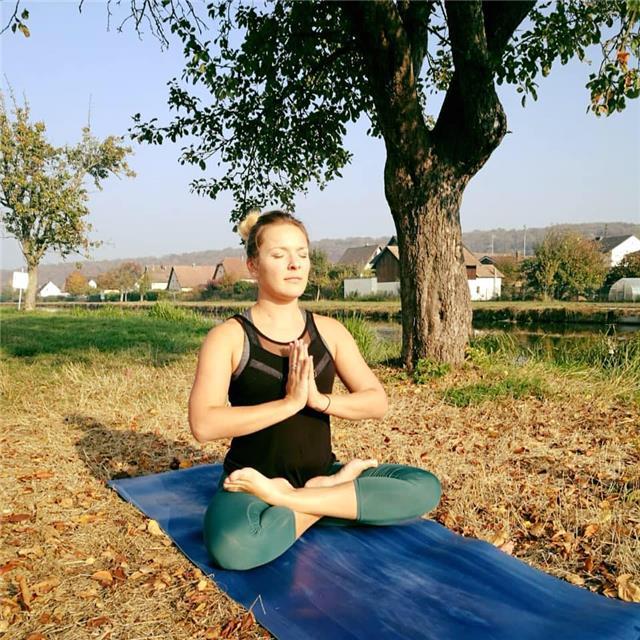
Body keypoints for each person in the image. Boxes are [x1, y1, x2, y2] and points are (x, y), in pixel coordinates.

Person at [188, 209, 442, 571]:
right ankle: (323, 498)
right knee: (233, 547)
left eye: (302, 254)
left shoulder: (330, 331)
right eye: (279, 255)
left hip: (322, 470)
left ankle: (303, 496)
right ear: (253, 265)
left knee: (423, 487)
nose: (295, 265)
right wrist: (290, 403)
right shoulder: (228, 337)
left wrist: (321, 401)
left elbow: (376, 401)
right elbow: (204, 424)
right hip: (251, 482)